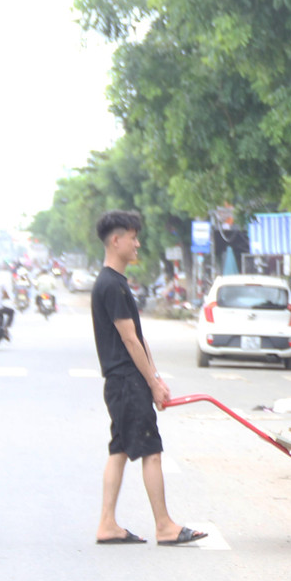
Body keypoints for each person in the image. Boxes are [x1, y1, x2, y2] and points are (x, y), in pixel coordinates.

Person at [92, 209, 208, 546]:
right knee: (150, 450)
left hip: (124, 382)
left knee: (119, 449)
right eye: (133, 237)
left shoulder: (115, 283)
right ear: (116, 240)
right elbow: (129, 340)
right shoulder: (111, 285)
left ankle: (107, 524)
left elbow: (139, 338)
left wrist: (155, 378)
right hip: (126, 382)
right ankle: (164, 526)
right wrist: (152, 383)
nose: (138, 243)